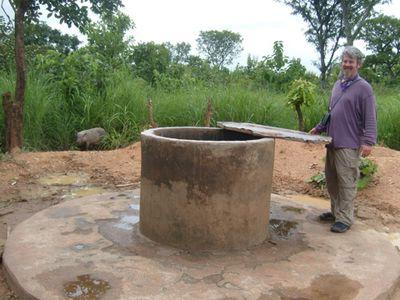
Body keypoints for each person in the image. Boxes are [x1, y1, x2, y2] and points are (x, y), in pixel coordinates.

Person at [310, 46, 377, 233]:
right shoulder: (338, 84)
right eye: (345, 61)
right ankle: (335, 212)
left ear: (358, 64)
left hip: (349, 143)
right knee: (332, 180)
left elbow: (370, 117)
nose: (347, 65)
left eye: (351, 62)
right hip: (332, 141)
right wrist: (320, 127)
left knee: (346, 181)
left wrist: (369, 141)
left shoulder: (364, 88)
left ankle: (345, 219)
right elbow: (332, 112)